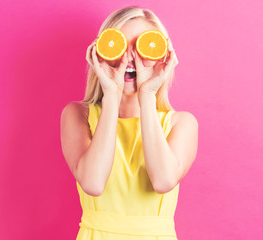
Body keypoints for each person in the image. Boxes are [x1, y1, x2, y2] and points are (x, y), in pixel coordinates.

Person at [60, 6, 199, 240]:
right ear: (100, 53)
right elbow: (93, 183)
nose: (130, 58)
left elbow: (164, 180)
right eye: (119, 44)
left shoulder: (181, 123)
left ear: (163, 57)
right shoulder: (77, 115)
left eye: (144, 46)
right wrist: (111, 95)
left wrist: (148, 95)